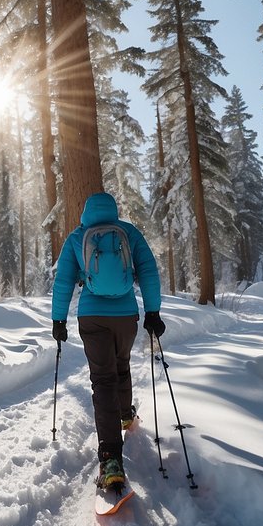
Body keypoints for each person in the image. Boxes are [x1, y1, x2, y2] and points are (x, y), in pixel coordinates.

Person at [51, 191, 164, 491]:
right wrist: (153, 312)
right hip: (126, 315)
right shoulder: (128, 232)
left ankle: (111, 460)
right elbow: (149, 271)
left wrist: (58, 320)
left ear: (86, 211)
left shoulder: (78, 237)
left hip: (92, 316)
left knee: (103, 381)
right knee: (121, 365)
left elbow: (63, 280)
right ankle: (125, 414)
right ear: (114, 209)